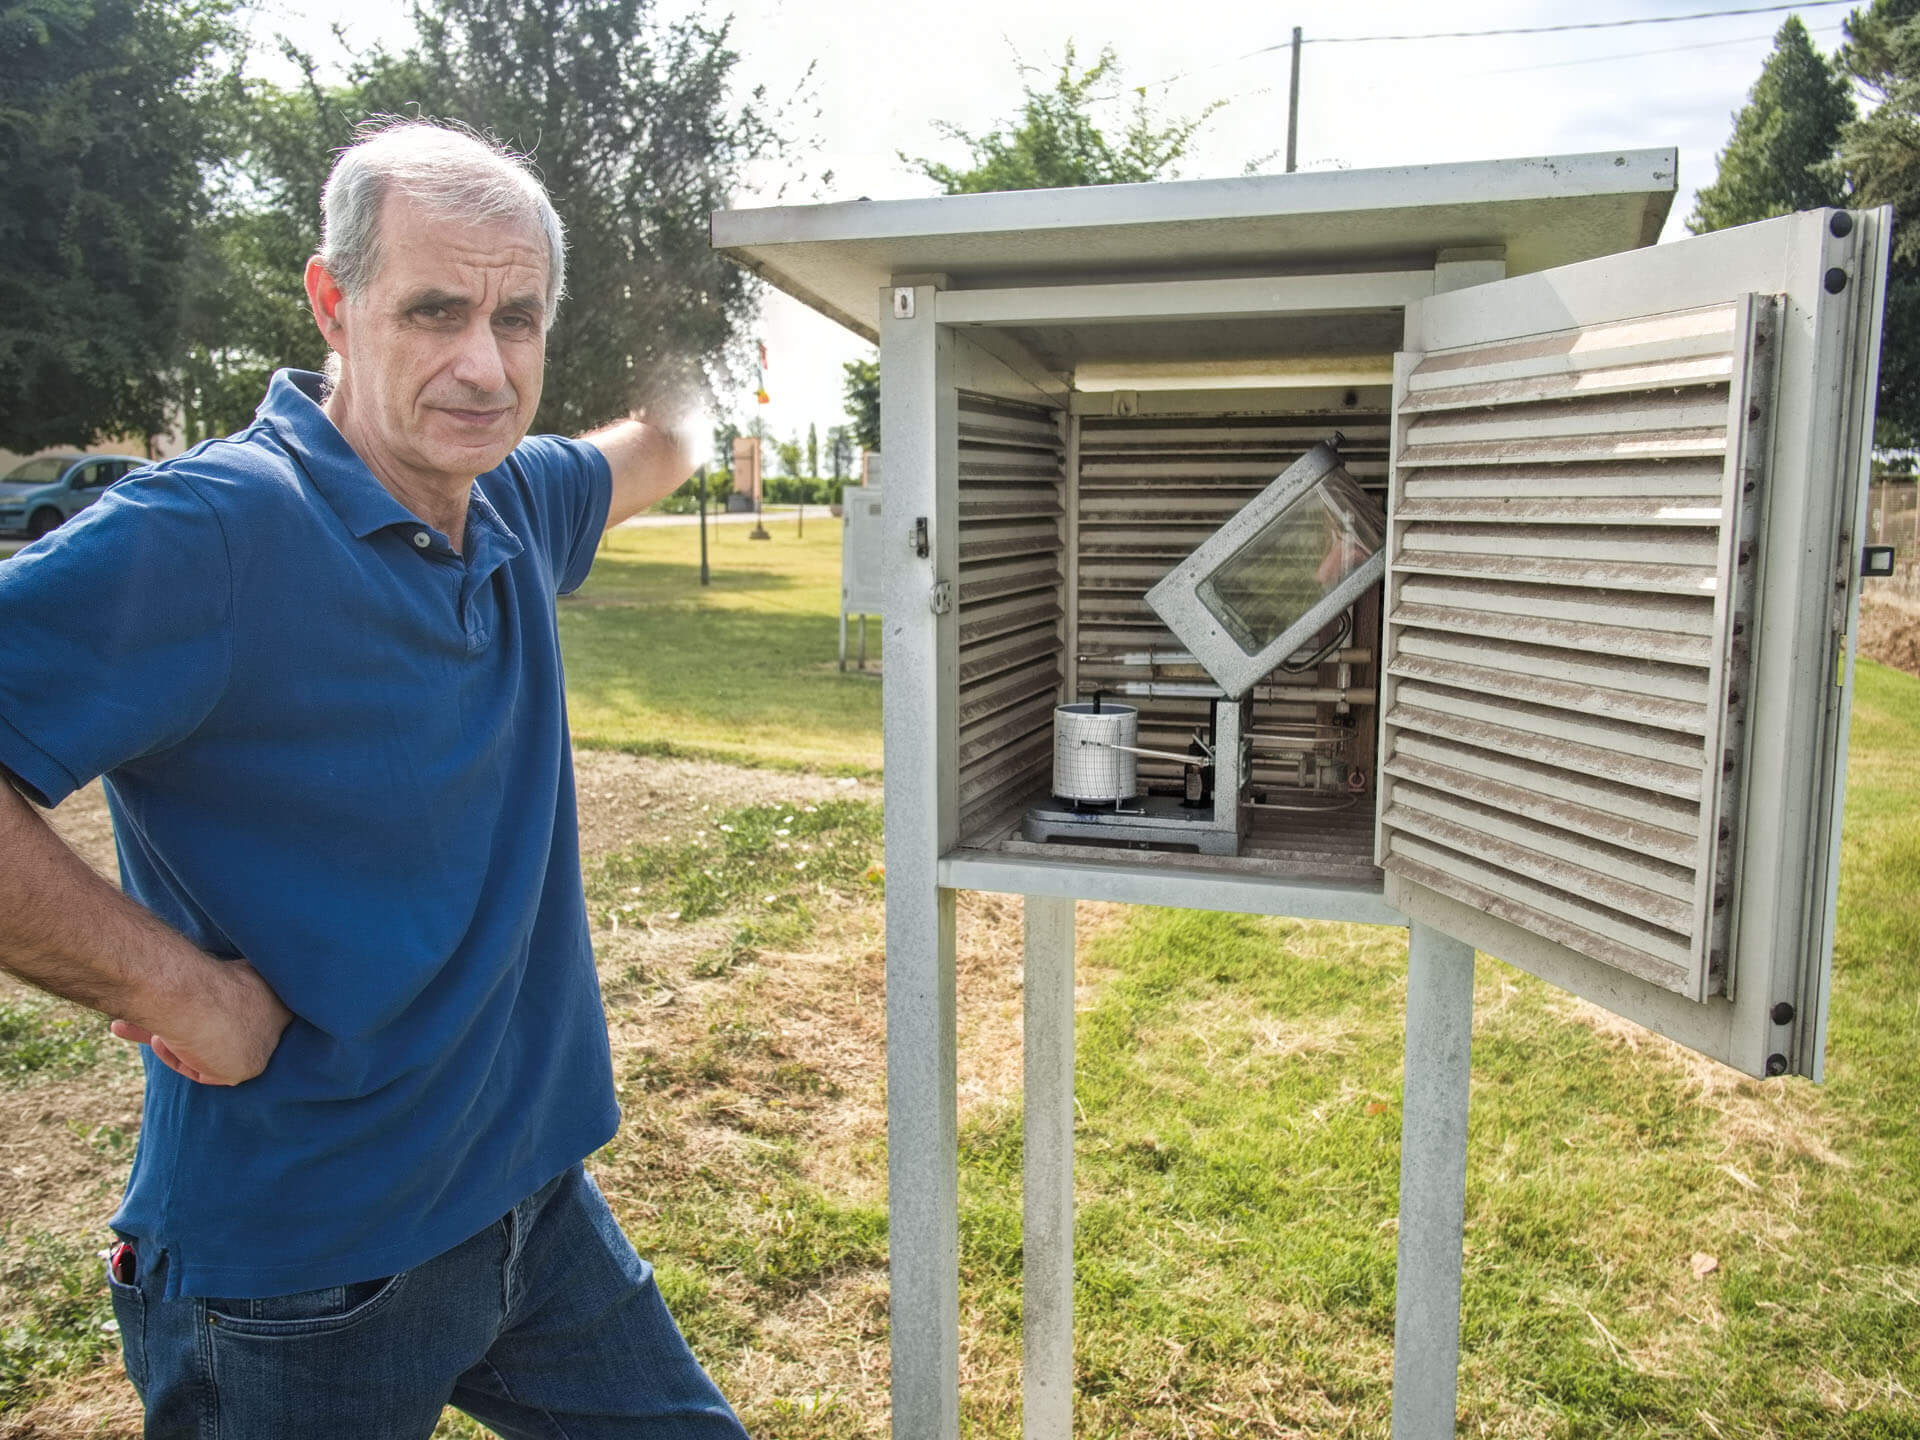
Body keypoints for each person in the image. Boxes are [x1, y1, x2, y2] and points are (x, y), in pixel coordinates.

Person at [0, 119, 750, 1438]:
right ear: (334, 305)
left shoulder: (514, 499)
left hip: (532, 1207)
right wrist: (177, 989)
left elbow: (652, 450)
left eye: (518, 319)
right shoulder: (217, 533)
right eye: (435, 310)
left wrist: (714, 384)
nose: (482, 364)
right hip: (305, 1275)